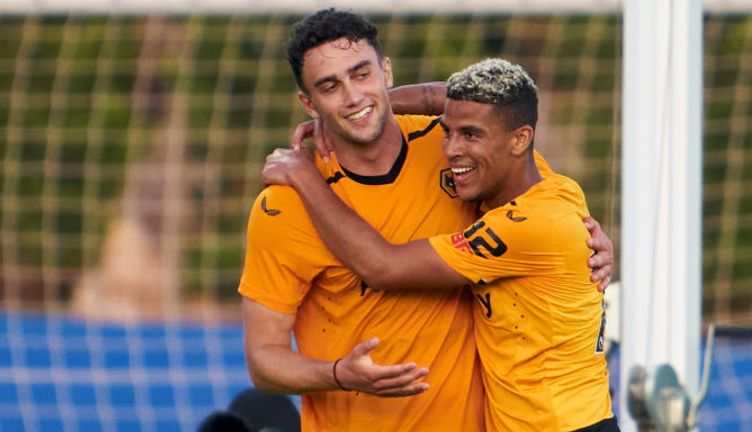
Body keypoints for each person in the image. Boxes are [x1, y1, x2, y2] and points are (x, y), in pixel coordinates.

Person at [239, 8, 613, 431]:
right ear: (309, 104)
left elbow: (543, 205)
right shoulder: (283, 205)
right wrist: (339, 373)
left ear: (386, 71)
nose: (352, 96)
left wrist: (589, 239)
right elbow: (264, 361)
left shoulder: (456, 146)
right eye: (330, 87)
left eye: (362, 75)